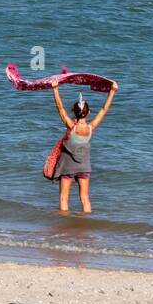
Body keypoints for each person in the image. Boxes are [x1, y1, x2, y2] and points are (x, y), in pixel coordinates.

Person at [50, 79, 117, 213]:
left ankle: (64, 227)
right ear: (88, 112)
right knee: (85, 198)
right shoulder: (90, 128)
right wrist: (112, 92)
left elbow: (60, 108)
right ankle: (87, 227)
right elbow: (104, 109)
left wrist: (55, 89)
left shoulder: (71, 126)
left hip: (68, 167)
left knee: (64, 197)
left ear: (74, 112)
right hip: (84, 166)